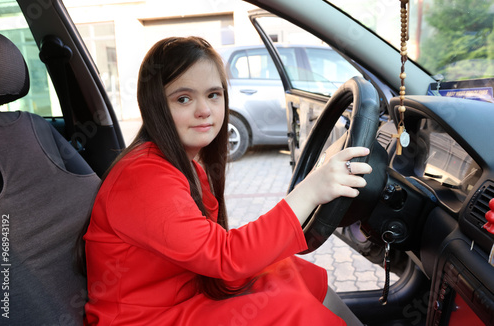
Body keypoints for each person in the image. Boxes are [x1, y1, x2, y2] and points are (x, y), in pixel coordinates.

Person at [82, 36, 372, 325]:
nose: (204, 110)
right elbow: (227, 256)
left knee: (286, 270)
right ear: (155, 106)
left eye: (213, 94)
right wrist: (311, 190)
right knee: (292, 309)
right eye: (183, 98)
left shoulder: (177, 163)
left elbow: (218, 252)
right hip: (143, 318)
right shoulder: (143, 175)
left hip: (180, 296)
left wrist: (316, 181)